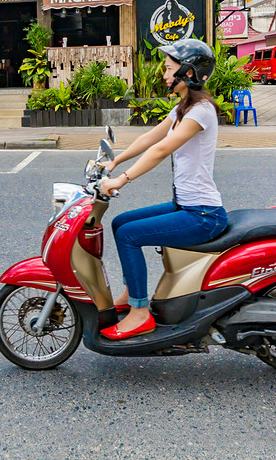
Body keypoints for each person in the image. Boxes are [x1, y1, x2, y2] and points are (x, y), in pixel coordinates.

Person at [97, 38, 228, 340]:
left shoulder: (201, 112)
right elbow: (150, 138)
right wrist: (115, 161)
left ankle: (140, 312)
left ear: (190, 73)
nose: (164, 74)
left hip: (203, 214)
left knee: (130, 235)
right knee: (120, 223)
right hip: (186, 205)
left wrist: (121, 179)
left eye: (170, 69)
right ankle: (134, 293)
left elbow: (161, 150)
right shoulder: (184, 108)